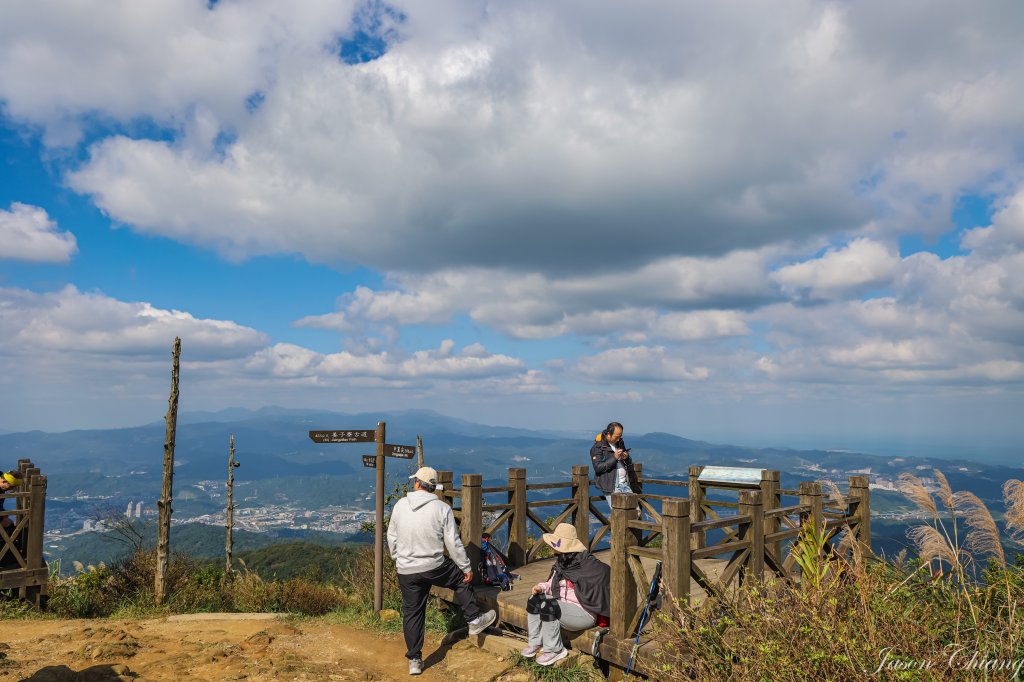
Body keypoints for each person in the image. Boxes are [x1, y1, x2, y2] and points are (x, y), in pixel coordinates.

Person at [387, 466, 496, 676]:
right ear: (433, 488)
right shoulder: (441, 508)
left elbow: (391, 536)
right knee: (460, 579)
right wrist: (466, 567)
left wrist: (398, 558)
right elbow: (453, 543)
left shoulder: (400, 505)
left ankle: (415, 660)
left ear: (417, 483)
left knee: (412, 612)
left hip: (406, 569)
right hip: (434, 566)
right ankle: (474, 620)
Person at [521, 523, 611, 666]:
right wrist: (540, 587)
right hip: (564, 608)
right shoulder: (563, 562)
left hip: (584, 613)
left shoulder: (588, 566)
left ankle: (555, 650)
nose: (552, 548)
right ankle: (536, 642)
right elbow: (551, 585)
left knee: (549, 606)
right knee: (534, 599)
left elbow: (605, 575)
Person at [590, 422, 640, 514]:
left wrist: (626, 457)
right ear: (608, 434)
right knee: (620, 515)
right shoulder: (598, 447)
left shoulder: (620, 443)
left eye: (620, 436)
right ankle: (616, 529)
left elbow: (628, 462)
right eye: (616, 436)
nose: (618, 439)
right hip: (611, 486)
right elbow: (597, 467)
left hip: (625, 483)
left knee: (636, 513)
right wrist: (614, 458)